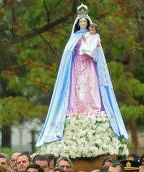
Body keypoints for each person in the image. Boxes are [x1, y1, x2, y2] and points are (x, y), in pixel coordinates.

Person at [36, 4, 128, 149]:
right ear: (78, 24)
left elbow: (98, 54)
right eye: (81, 22)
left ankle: (93, 107)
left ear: (89, 24)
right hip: (76, 67)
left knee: (90, 87)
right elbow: (68, 54)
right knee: (77, 89)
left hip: (90, 65)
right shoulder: (74, 38)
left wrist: (96, 46)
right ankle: (76, 108)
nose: (83, 24)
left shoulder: (93, 35)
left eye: (85, 22)